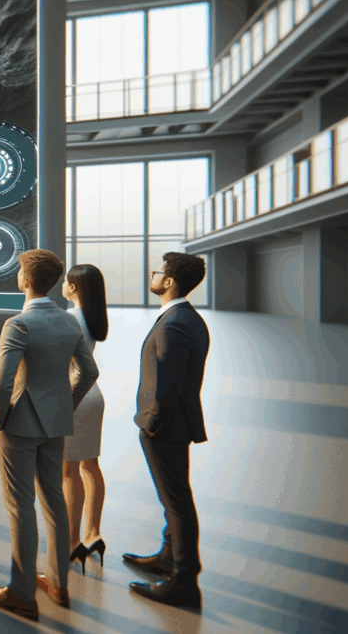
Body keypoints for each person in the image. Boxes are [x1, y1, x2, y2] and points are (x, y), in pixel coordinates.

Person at [0, 250, 98, 621]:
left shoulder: (18, 324)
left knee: (20, 506)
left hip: (19, 424)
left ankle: (21, 591)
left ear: (26, 280)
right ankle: (59, 584)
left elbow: (1, 382)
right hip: (56, 423)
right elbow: (88, 371)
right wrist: (66, 405)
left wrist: (0, 417)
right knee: (54, 503)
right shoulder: (70, 322)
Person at [125, 253, 210, 610]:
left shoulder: (174, 324)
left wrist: (152, 424)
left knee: (176, 501)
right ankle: (167, 556)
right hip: (179, 424)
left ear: (170, 281)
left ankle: (184, 581)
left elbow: (168, 386)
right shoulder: (188, 319)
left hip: (166, 426)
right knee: (174, 497)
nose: (154, 274)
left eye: (159, 272)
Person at [61, 265, 109, 572]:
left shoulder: (69, 318)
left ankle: (71, 541)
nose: (63, 286)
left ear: (75, 288)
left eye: (67, 282)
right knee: (91, 466)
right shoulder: (92, 317)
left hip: (73, 395)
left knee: (67, 471)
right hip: (94, 395)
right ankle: (94, 533)